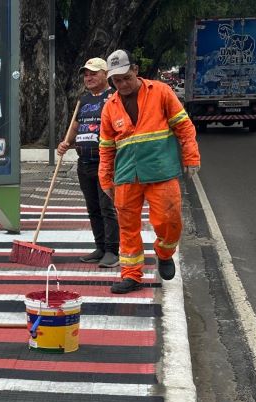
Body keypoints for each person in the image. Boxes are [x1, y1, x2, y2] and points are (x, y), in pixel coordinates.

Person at [99, 49, 200, 294]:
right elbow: (106, 148)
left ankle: (164, 253)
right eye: (116, 80)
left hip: (160, 171)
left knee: (170, 221)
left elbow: (184, 127)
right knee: (127, 228)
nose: (121, 84)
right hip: (126, 175)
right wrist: (106, 180)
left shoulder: (161, 92)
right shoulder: (109, 107)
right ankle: (131, 275)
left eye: (125, 78)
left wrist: (191, 156)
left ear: (135, 70)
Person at [57, 57, 119, 268]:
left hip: (106, 162)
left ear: (105, 74)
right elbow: (75, 127)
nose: (89, 77)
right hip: (84, 162)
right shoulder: (83, 101)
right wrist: (65, 143)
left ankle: (112, 251)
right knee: (92, 208)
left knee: (107, 207)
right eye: (86, 74)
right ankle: (100, 247)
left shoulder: (114, 97)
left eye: (93, 73)